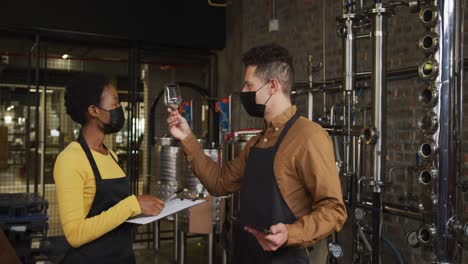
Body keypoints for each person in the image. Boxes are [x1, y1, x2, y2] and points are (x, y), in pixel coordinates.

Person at [167, 43, 347, 263]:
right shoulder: (256, 142)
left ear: (272, 86)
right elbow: (219, 182)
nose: (244, 92)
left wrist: (291, 233)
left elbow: (334, 209)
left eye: (249, 85)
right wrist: (186, 137)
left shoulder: (309, 137)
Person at [54, 73, 164, 263]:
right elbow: (75, 234)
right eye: (115, 102)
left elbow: (114, 211)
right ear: (93, 110)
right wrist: (132, 204)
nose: (119, 109)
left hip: (122, 257)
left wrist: (141, 209)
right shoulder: (70, 159)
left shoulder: (110, 155)